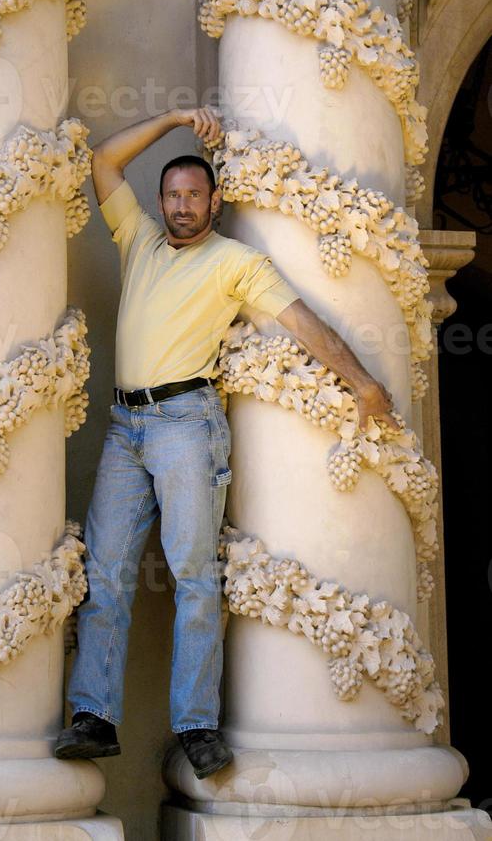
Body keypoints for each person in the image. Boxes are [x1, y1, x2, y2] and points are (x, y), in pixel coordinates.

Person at [54, 107, 400, 779]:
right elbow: (103, 159)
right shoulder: (141, 242)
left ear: (214, 200)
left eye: (194, 195)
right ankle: (93, 716)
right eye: (173, 195)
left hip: (188, 422)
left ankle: (196, 725)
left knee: (192, 576)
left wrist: (362, 382)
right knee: (107, 574)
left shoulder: (237, 262)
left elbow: (303, 324)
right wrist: (178, 117)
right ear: (161, 202)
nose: (182, 206)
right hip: (127, 428)